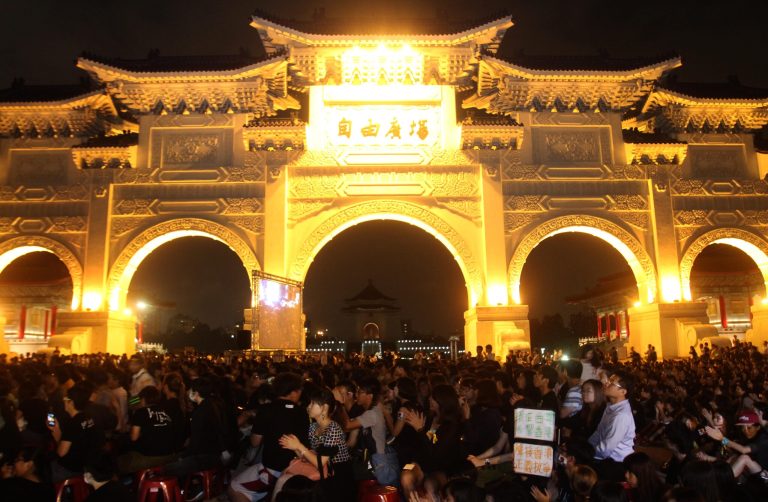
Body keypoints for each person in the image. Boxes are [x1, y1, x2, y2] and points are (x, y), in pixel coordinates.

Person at [229, 372, 309, 502]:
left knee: (234, 486)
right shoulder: (303, 412)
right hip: (296, 467)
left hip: (272, 469)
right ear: (293, 392)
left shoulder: (266, 409)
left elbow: (255, 442)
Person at [274, 387, 353, 501]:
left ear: (324, 408)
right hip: (322, 472)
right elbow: (309, 457)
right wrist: (294, 447)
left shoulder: (333, 428)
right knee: (284, 481)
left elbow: (320, 463)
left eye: (312, 404)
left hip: (337, 476)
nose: (308, 407)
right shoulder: (313, 427)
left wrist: (299, 446)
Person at [335, 377, 398, 486]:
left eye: (360, 392)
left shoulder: (372, 414)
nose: (357, 394)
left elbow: (347, 425)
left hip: (380, 462)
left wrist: (340, 403)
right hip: (379, 458)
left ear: (370, 395)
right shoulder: (370, 411)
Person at [49, 382, 106, 482]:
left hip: (71, 469)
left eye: (66, 399)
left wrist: (56, 433)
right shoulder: (89, 417)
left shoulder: (73, 423)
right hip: (86, 465)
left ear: (72, 403)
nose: (64, 401)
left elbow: (61, 453)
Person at [589, 371, 635, 480]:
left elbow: (606, 449)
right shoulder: (611, 406)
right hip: (605, 457)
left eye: (611, 383)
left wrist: (588, 453)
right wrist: (587, 447)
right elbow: (599, 432)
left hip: (616, 462)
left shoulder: (621, 416)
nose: (606, 384)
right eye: (608, 380)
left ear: (623, 391)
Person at [704, 409, 768, 481]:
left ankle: (720, 481)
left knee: (744, 458)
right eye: (743, 427)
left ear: (758, 427)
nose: (745, 430)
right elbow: (733, 451)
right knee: (735, 457)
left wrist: (722, 439)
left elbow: (744, 450)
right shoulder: (745, 437)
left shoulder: (763, 438)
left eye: (749, 427)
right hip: (754, 471)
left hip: (766, 476)